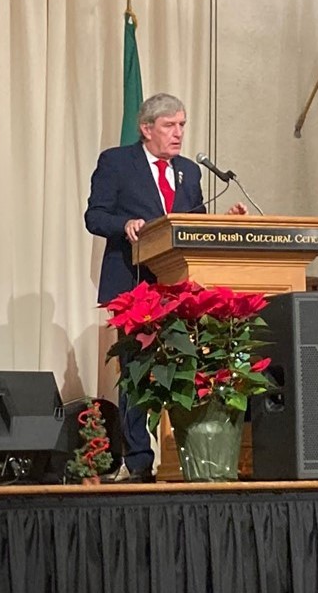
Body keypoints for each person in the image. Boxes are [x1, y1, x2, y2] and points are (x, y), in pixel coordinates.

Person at [85, 92, 246, 481]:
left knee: (184, 370)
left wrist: (220, 222)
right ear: (146, 128)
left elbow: (194, 223)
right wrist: (124, 226)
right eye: (170, 126)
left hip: (179, 287)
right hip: (133, 284)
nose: (178, 133)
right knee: (138, 372)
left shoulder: (189, 171)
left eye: (182, 125)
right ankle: (138, 461)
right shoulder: (117, 162)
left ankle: (189, 457)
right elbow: (95, 215)